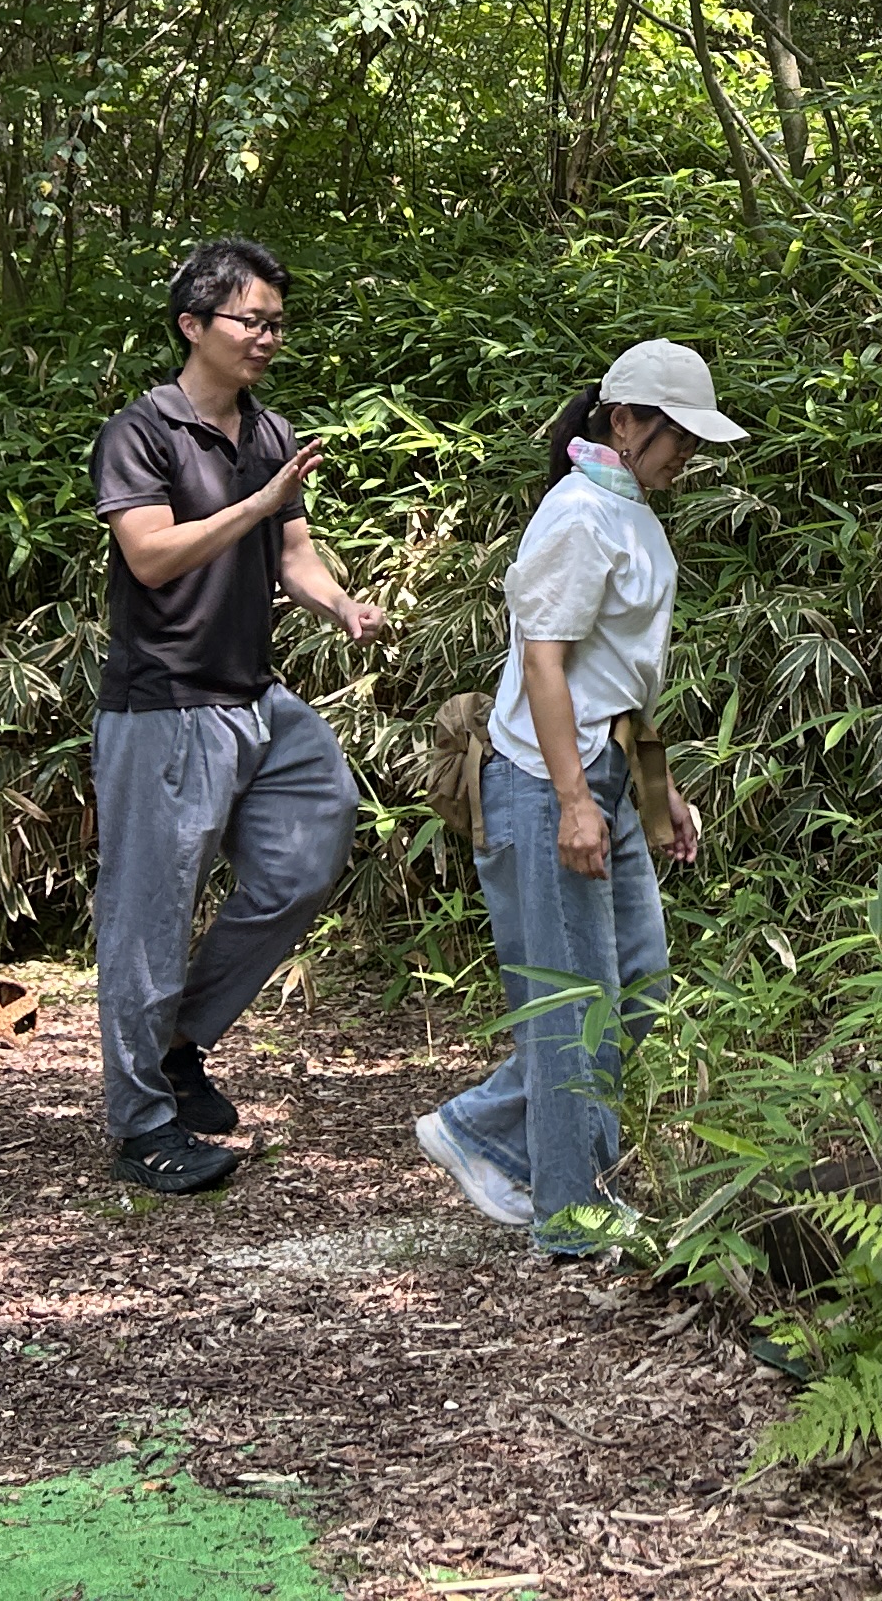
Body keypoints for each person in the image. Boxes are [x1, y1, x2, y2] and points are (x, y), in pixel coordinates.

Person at [416, 339, 742, 1258]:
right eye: (678, 435)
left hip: (604, 773)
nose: (688, 455)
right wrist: (571, 803)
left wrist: (659, 793)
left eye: (695, 439)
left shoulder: (629, 511)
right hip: (542, 779)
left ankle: (483, 1132)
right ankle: (572, 1211)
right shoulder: (577, 514)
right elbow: (545, 667)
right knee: (573, 1008)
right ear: (625, 422)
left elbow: (618, 682)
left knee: (636, 988)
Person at [90, 235, 386, 1196]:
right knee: (148, 920)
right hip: (165, 706)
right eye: (250, 321)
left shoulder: (268, 428)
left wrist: (340, 604)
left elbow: (293, 553)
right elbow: (151, 557)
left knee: (309, 850)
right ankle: (142, 1127)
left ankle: (179, 1043)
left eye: (276, 324)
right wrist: (257, 504)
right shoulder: (141, 432)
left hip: (256, 699)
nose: (266, 337)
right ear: (193, 325)